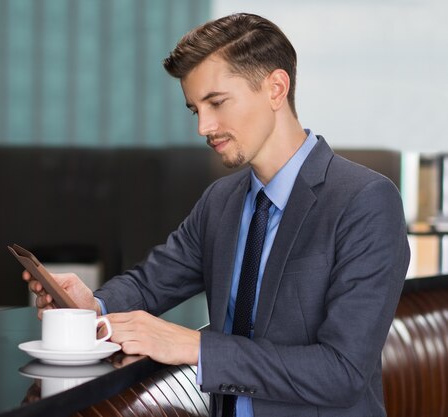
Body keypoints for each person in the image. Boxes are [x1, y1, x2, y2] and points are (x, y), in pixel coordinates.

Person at [24, 12, 410, 417]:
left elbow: (342, 372)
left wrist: (194, 346)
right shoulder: (221, 201)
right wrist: (93, 305)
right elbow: (151, 283)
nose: (203, 127)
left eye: (217, 103)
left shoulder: (365, 200)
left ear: (276, 88)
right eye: (195, 110)